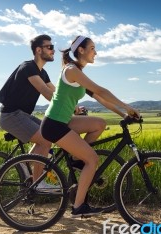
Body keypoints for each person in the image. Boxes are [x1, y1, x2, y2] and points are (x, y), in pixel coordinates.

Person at [40, 35, 140, 218]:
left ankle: (78, 160)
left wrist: (124, 115)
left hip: (63, 121)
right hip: (54, 124)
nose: (96, 52)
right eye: (92, 48)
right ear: (81, 50)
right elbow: (102, 90)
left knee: (99, 124)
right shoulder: (72, 70)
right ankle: (78, 207)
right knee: (93, 160)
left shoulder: (78, 73)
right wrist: (128, 107)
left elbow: (100, 98)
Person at [0, 34, 56, 191]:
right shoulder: (28, 67)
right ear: (38, 50)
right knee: (45, 141)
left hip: (21, 115)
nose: (53, 50)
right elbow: (44, 91)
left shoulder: (42, 73)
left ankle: (23, 164)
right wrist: (67, 107)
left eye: (53, 47)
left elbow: (55, 93)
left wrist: (74, 106)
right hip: (11, 115)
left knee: (50, 132)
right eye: (49, 47)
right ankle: (38, 184)